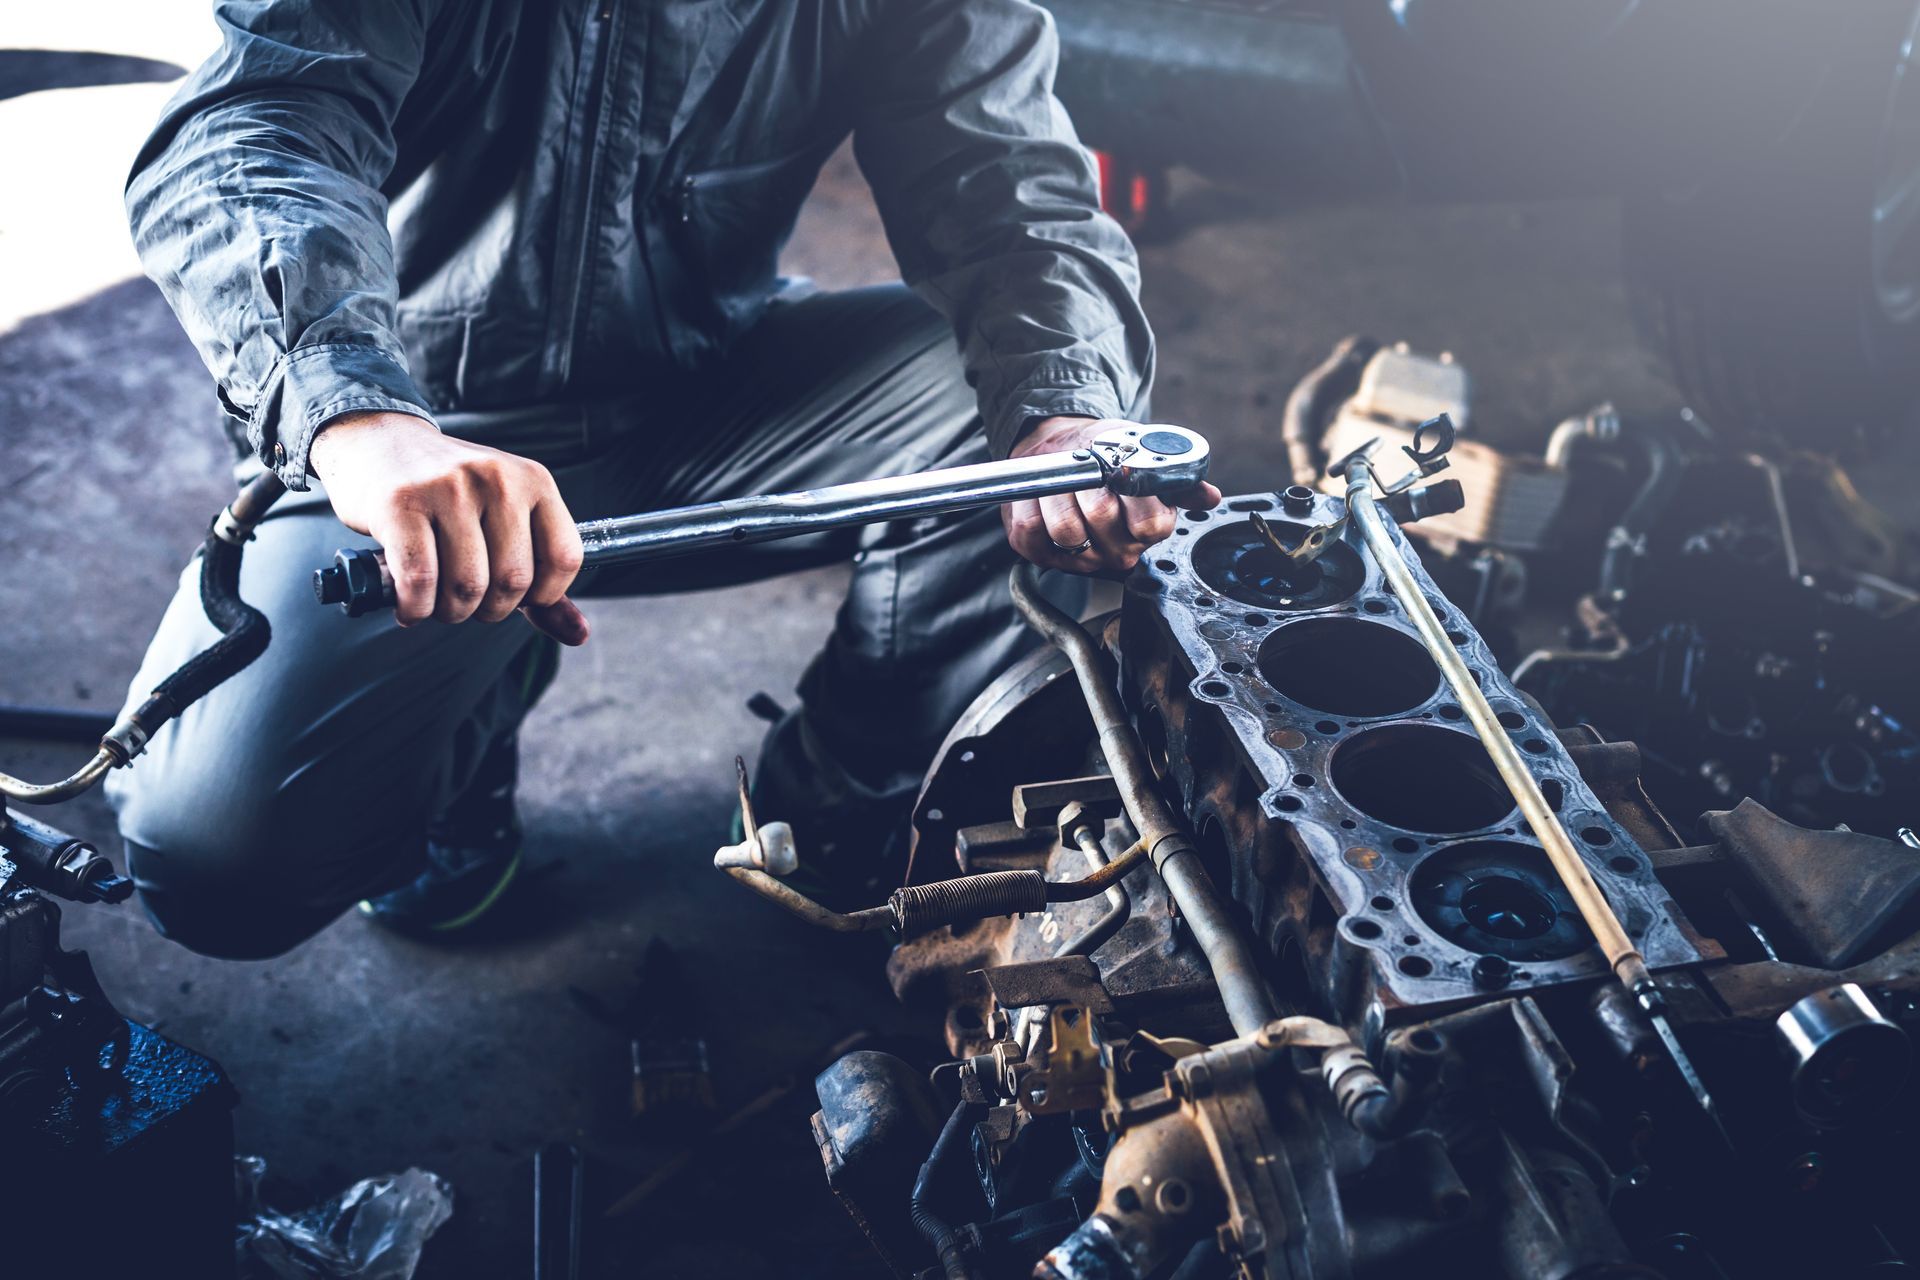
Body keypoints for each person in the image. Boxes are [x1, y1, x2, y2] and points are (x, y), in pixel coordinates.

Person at [110, 0, 1217, 956]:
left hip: (714, 389)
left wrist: (1068, 411)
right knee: (214, 854)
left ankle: (832, 807)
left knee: (1029, 414)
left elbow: (1008, 183)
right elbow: (253, 127)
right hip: (428, 440)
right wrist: (356, 415)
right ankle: (455, 747)